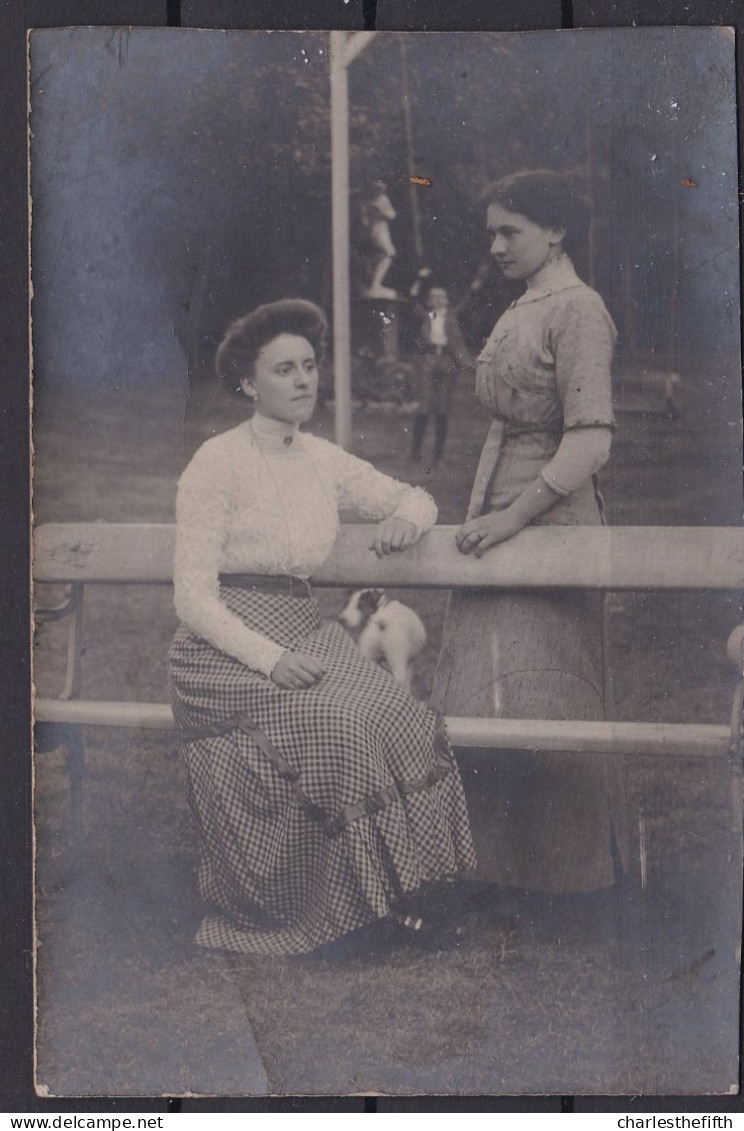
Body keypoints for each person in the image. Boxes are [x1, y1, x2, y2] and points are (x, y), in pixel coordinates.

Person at [168, 299, 475, 956]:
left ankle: (409, 890)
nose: (304, 380)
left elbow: (413, 496)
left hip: (301, 629)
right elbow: (193, 599)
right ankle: (338, 907)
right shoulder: (215, 462)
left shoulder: (320, 457)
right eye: (284, 369)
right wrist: (269, 659)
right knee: (339, 724)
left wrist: (408, 520)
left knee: (398, 713)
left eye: (309, 365)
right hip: (222, 653)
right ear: (249, 384)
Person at [431, 170, 627, 895]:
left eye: (509, 230)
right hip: (495, 518)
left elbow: (590, 442)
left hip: (549, 523)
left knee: (551, 698)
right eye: (491, 232)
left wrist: (511, 518)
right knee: (487, 692)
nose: (496, 245)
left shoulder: (579, 309)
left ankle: (568, 883)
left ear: (556, 231)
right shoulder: (526, 304)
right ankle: (494, 870)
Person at [408, 272, 474, 467]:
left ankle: (437, 456)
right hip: (429, 360)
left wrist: (472, 283)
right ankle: (415, 452)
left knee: (443, 408)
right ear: (429, 301)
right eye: (434, 297)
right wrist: (419, 279)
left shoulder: (453, 315)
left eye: (441, 297)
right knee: (424, 406)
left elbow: (468, 298)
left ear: (447, 300)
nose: (438, 300)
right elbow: (412, 300)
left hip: (448, 361)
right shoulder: (426, 315)